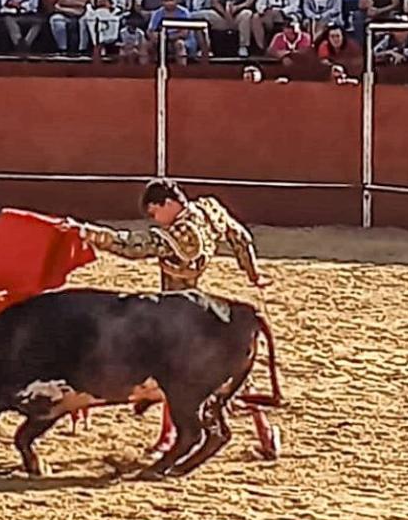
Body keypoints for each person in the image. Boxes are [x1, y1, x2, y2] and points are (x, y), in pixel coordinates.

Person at [62, 179, 269, 455]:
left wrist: (86, 231)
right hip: (196, 306)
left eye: (154, 212)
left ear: (168, 204)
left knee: (173, 373)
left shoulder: (180, 235)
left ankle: (168, 437)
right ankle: (264, 432)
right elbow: (239, 236)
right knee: (227, 372)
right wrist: (252, 272)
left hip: (179, 315)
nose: (155, 220)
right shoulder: (209, 210)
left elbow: (131, 246)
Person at [145, 0, 199, 64]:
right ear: (162, 2)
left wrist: (165, 36)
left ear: (176, 0)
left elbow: (184, 33)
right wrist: (157, 37)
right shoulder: (157, 13)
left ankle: (182, 72)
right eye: (166, 1)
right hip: (162, 41)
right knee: (147, 45)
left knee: (179, 44)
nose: (169, 3)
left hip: (183, 42)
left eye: (171, 0)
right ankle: (147, 73)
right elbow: (150, 31)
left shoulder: (184, 12)